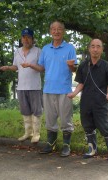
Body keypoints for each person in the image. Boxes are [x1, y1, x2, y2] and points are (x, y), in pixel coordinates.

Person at [67, 39, 108, 163]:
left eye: (98, 47)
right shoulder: (84, 65)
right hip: (86, 100)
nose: (95, 49)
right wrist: (74, 93)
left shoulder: (107, 66)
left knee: (104, 126)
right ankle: (92, 148)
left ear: (101, 49)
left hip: (100, 102)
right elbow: (81, 83)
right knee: (87, 125)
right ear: (89, 48)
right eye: (93, 46)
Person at [38, 20, 77, 157]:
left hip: (64, 89)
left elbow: (74, 69)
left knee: (66, 119)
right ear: (50, 31)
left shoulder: (70, 48)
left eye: (59, 29)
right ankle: (51, 144)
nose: (56, 31)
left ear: (63, 31)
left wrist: (71, 66)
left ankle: (66, 145)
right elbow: (42, 67)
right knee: (49, 118)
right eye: (53, 29)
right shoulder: (45, 49)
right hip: (48, 89)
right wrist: (29, 66)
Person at [0, 28, 44, 143]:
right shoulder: (17, 51)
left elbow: (42, 68)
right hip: (21, 87)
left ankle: (36, 134)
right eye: (24, 37)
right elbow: (16, 67)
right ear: (21, 38)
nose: (26, 39)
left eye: (28, 37)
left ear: (32, 39)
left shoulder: (38, 51)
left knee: (36, 111)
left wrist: (30, 65)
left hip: (35, 86)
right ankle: (27, 133)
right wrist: (8, 67)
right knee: (25, 111)